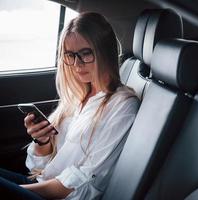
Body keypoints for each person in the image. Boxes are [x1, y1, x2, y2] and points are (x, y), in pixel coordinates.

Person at [0, 12, 139, 199]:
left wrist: (20, 191)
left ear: (105, 51)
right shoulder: (77, 97)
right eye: (70, 55)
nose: (77, 64)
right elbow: (40, 170)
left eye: (85, 53)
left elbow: (85, 183)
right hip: (44, 185)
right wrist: (42, 142)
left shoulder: (122, 106)